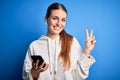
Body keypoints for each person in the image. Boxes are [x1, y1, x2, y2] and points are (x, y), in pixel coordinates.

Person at [22, 2, 96, 80]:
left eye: (63, 20)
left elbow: (79, 76)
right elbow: (26, 78)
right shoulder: (34, 46)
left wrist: (87, 51)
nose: (59, 23)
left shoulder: (72, 42)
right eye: (55, 18)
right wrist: (34, 72)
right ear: (46, 19)